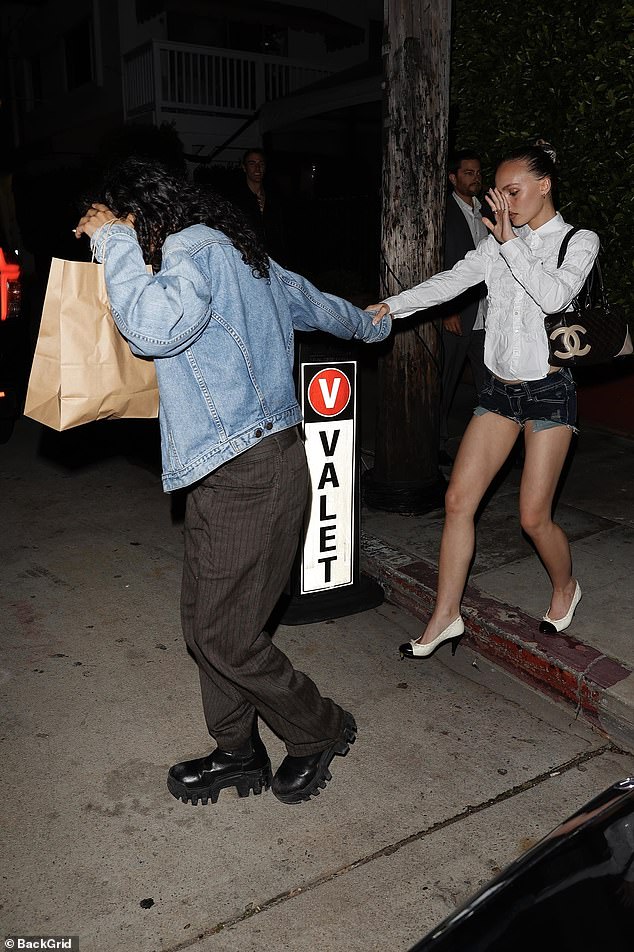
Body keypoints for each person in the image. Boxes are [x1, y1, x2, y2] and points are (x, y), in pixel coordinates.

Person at [75, 157, 392, 805]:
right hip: (237, 468)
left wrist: (111, 240)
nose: (101, 233)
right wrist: (373, 322)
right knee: (206, 625)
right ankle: (236, 750)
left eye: (112, 219)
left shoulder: (194, 251)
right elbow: (320, 305)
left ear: (139, 214)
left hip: (248, 471)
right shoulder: (244, 257)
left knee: (227, 636)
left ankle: (319, 727)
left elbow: (154, 329)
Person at [367, 145, 598, 657]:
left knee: (533, 518)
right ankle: (445, 615)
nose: (504, 203)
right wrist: (392, 306)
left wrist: (510, 243)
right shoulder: (497, 244)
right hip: (497, 391)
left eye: (513, 192)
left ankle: (566, 587)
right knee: (457, 502)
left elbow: (555, 297)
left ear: (545, 186)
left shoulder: (577, 242)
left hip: (548, 393)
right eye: (499, 193)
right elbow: (450, 282)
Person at [438, 150, 488, 466]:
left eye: (478, 172)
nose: (475, 178)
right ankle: (436, 443)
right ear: (453, 178)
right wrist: (447, 309)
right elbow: (439, 264)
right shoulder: (443, 212)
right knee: (445, 381)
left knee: (491, 384)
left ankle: (493, 442)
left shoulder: (487, 212)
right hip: (457, 314)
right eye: (468, 172)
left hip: (486, 314)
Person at [227, 147, 288, 264]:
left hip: (274, 260)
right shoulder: (235, 200)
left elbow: (281, 231)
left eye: (261, 163)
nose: (257, 168)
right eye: (252, 163)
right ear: (244, 167)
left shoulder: (275, 198)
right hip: (247, 260)